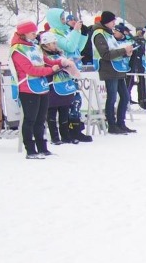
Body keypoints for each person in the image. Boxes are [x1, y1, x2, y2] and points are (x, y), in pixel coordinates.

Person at [10, 20, 67, 158]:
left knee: (41, 119)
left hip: (41, 87)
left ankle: (43, 148)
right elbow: (30, 69)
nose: (35, 35)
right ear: (23, 33)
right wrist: (49, 70)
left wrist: (61, 62)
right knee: (30, 119)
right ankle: (30, 150)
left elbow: (47, 61)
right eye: (32, 32)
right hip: (27, 88)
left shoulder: (34, 47)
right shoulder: (17, 49)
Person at [42, 8, 93, 142]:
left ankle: (75, 128)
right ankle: (69, 130)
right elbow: (69, 47)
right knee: (69, 102)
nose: (64, 21)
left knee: (76, 101)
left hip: (71, 71)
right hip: (62, 74)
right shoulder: (54, 34)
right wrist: (76, 31)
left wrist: (83, 34)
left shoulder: (64, 31)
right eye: (62, 19)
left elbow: (77, 47)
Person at [91, 11, 135, 134]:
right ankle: (111, 124)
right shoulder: (99, 34)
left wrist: (126, 54)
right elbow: (105, 54)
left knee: (125, 97)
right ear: (106, 22)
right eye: (112, 21)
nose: (114, 23)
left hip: (118, 68)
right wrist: (123, 50)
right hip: (108, 69)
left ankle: (121, 122)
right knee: (112, 97)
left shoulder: (109, 33)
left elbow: (115, 50)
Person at [42, 31, 83, 146]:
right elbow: (46, 70)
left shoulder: (60, 54)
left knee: (64, 112)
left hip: (64, 87)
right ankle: (55, 137)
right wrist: (59, 67)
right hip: (52, 88)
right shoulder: (43, 57)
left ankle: (66, 135)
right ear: (46, 45)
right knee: (51, 113)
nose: (55, 45)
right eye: (53, 43)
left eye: (55, 43)